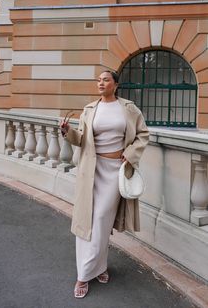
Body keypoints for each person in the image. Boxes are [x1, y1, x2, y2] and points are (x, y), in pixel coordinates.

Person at [60, 70, 149, 299]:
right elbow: (81, 139)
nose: (100, 83)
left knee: (101, 219)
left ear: (115, 84)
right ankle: (88, 272)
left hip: (114, 172)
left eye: (105, 80)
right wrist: (67, 132)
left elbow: (143, 134)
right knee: (87, 220)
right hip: (91, 170)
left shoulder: (129, 108)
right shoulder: (90, 109)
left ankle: (92, 269)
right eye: (98, 80)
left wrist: (131, 153)